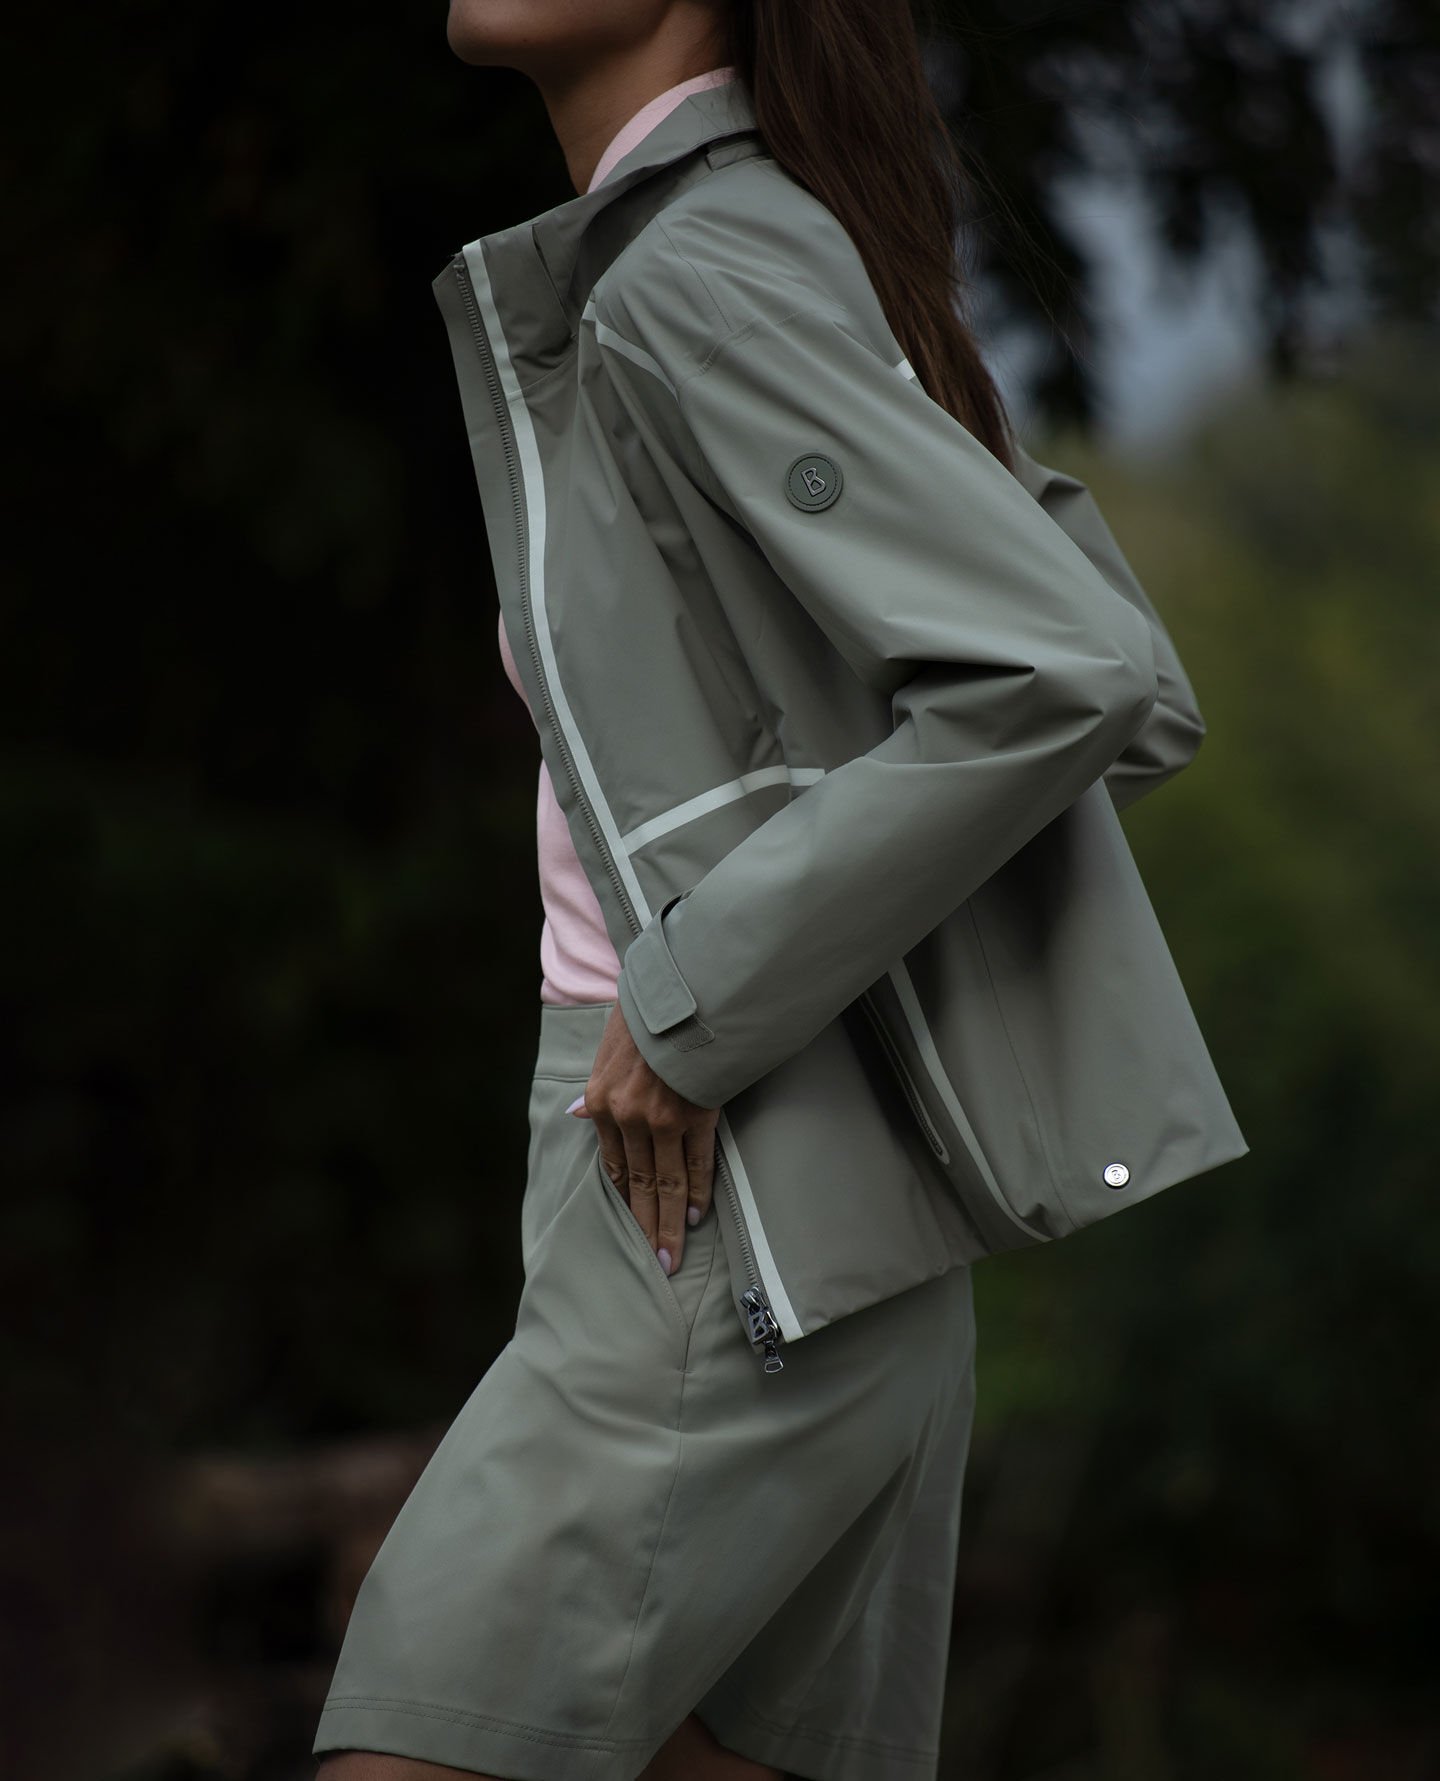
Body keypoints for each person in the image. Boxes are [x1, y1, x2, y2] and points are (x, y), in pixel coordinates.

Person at [311, 2, 1248, 1778]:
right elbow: (1114, 670)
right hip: (779, 1191)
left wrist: (688, 1007)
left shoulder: (699, 267)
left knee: (406, 1748)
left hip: (713, 1185)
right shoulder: (742, 253)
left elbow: (1069, 676)